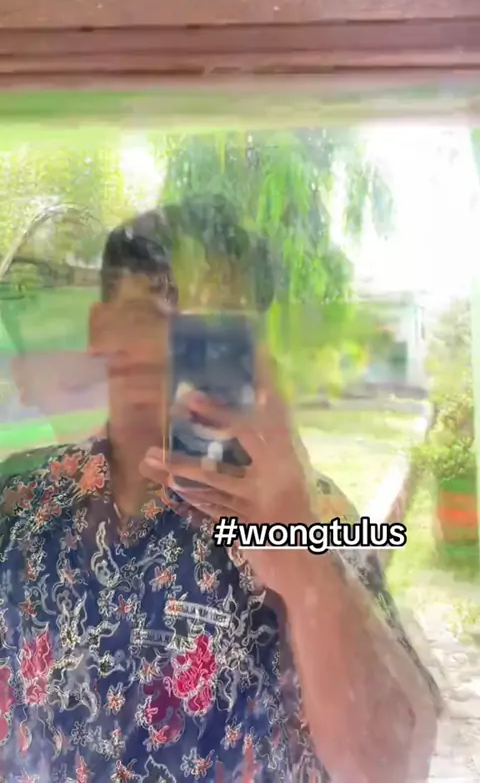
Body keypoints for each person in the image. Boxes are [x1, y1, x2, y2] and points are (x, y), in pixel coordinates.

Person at [0, 195, 439, 783]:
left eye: (217, 326)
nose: (184, 348)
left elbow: (394, 766)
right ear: (102, 329)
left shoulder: (313, 511)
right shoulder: (21, 512)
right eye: (159, 308)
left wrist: (301, 558)